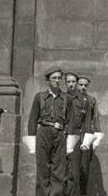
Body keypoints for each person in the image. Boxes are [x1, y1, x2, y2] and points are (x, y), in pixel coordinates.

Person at [25, 66, 73, 196]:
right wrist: (32, 141)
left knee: (59, 170)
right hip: (43, 133)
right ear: (48, 80)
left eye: (59, 78)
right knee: (43, 169)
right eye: (54, 78)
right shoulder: (39, 97)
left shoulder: (67, 98)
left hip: (59, 134)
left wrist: (69, 142)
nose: (57, 81)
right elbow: (32, 120)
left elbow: (71, 120)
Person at [64, 72, 92, 196]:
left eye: (73, 82)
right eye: (68, 82)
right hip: (62, 137)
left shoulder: (84, 101)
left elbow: (87, 123)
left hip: (76, 137)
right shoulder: (61, 97)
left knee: (75, 171)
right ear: (65, 83)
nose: (71, 84)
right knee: (61, 170)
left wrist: (86, 142)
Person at [77, 75, 104, 195]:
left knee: (85, 166)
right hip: (73, 136)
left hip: (87, 137)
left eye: (85, 85)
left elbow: (96, 119)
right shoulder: (71, 98)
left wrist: (97, 138)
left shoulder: (91, 100)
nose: (83, 87)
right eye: (81, 84)